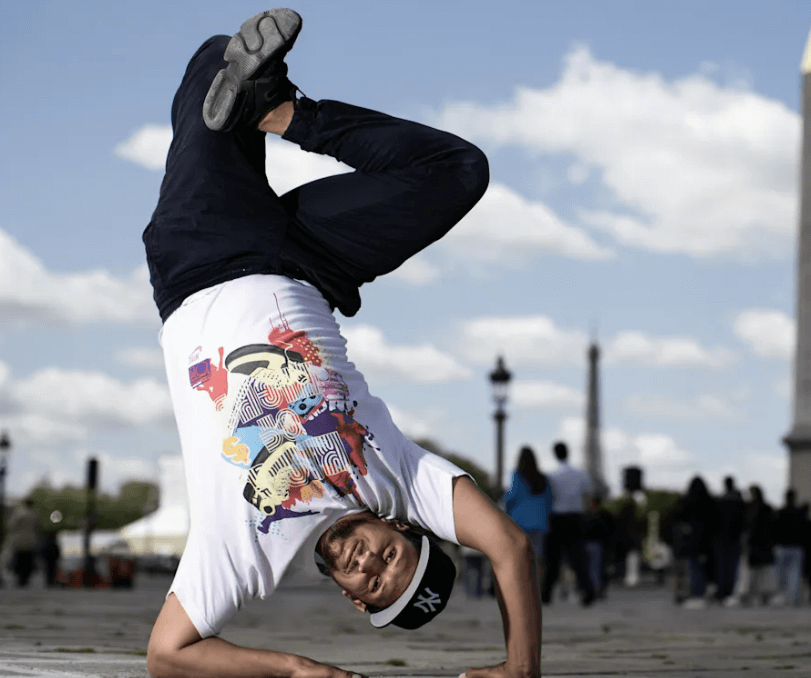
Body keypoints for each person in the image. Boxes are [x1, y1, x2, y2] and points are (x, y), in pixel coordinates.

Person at [142, 10, 540, 678]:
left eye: (374, 584)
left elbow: (167, 655)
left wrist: (295, 671)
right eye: (391, 556)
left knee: (212, 58)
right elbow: (510, 547)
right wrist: (522, 669)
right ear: (404, 527)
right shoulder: (400, 479)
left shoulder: (244, 556)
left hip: (202, 255)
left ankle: (245, 94)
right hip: (308, 265)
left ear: (354, 601)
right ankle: (278, 108)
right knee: (458, 169)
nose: (370, 564)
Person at [541, 442, 595, 607]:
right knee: (578, 558)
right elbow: (587, 496)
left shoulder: (551, 476)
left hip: (556, 518)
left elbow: (547, 498)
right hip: (575, 517)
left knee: (553, 559)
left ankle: (546, 594)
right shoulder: (580, 474)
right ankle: (588, 592)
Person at [672, 476, 717, 608]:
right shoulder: (709, 502)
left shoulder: (685, 502)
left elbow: (676, 518)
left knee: (688, 569)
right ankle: (700, 592)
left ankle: (688, 593)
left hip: (688, 541)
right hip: (705, 540)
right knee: (701, 568)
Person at [503, 446, 552, 566]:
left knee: (520, 558)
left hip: (520, 522)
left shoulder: (517, 476)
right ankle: (537, 584)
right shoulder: (543, 479)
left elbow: (511, 497)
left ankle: (522, 584)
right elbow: (549, 501)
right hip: (540, 524)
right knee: (537, 559)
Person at [713, 477, 746, 606]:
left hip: (721, 539)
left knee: (722, 567)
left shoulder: (720, 501)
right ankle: (729, 592)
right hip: (734, 539)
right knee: (732, 568)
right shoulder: (739, 502)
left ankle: (722, 591)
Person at [743, 485, 777, 606]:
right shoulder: (767, 508)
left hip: (755, 544)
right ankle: (764, 595)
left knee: (754, 572)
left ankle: (752, 594)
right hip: (765, 545)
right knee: (764, 572)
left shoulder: (750, 508)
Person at [773, 489, 805, 606]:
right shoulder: (799, 513)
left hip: (782, 546)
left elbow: (775, 529)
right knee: (795, 574)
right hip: (796, 546)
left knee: (781, 575)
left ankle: (782, 597)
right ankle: (793, 599)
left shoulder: (780, 512)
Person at [6, 499, 40, 588]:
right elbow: (38, 526)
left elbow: (11, 525)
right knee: (28, 561)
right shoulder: (35, 513)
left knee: (19, 560)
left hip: (19, 540)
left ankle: (20, 578)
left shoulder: (19, 513)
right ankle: (26, 578)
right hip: (31, 540)